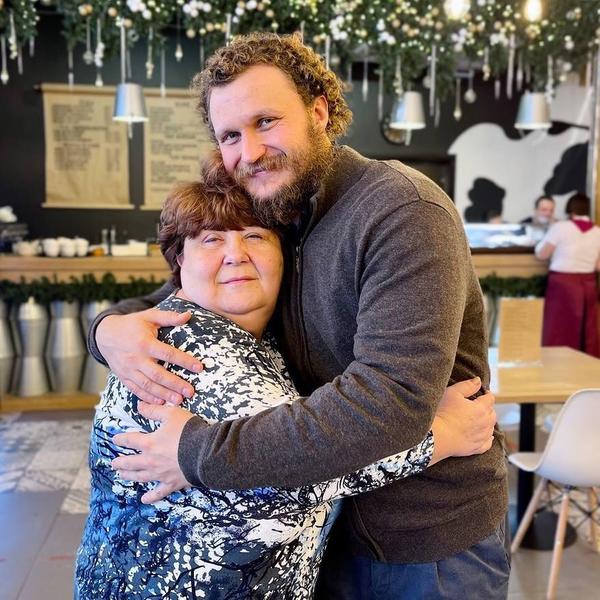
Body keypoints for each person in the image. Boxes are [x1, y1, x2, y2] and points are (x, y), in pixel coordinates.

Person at [89, 33, 509, 598]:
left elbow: (391, 401)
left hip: (425, 540)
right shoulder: (279, 209)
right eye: (230, 135)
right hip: (326, 531)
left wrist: (196, 452)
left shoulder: (402, 211)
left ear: (319, 112)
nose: (250, 151)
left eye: (266, 121)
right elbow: (184, 290)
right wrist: (107, 330)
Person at [535, 192, 600, 357]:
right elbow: (598, 265)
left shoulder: (560, 227)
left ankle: (557, 360)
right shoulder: (597, 232)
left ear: (570, 209)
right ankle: (588, 361)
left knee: (560, 327)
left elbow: (542, 254)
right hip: (588, 283)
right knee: (588, 328)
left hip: (563, 283)